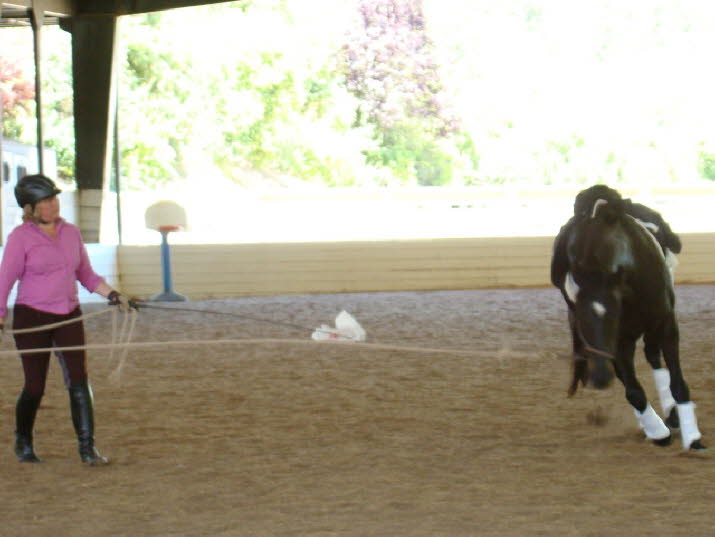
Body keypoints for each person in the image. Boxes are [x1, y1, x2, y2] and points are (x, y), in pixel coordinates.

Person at [0, 174, 133, 465]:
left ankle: (87, 448)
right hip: (32, 318)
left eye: (54, 198)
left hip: (69, 314)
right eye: (46, 201)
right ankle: (23, 439)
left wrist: (113, 294)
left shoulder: (71, 233)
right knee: (34, 386)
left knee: (79, 379)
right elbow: (4, 280)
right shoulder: (19, 238)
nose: (54, 204)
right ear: (31, 207)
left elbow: (86, 274)